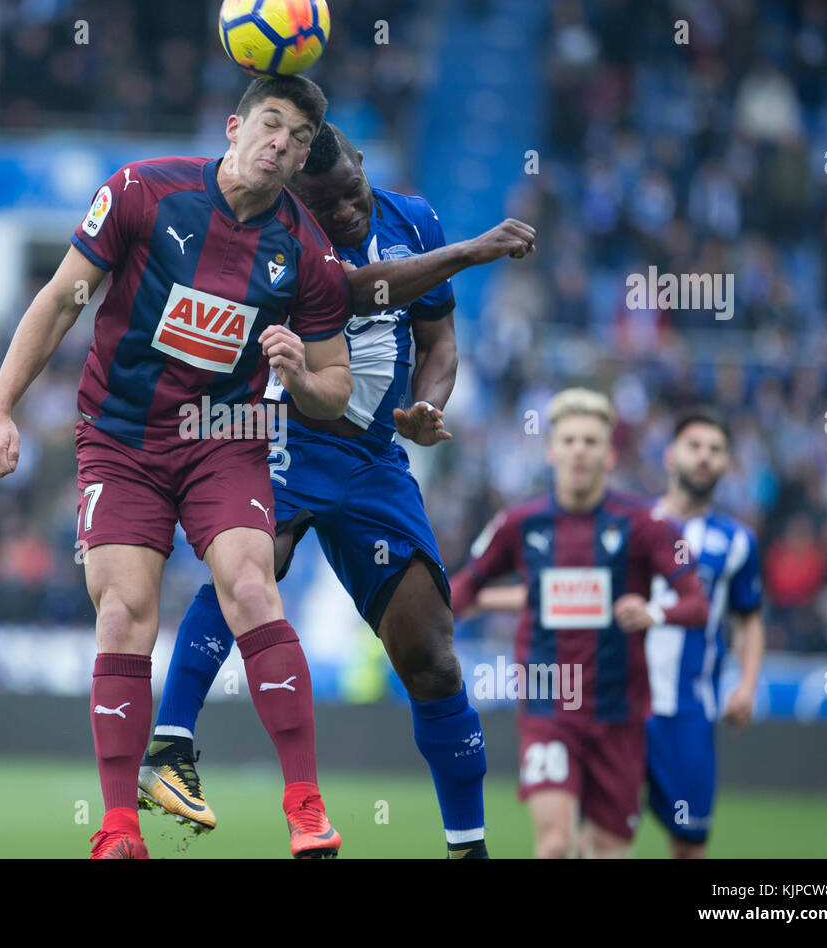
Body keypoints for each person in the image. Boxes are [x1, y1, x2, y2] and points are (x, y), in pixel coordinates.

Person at [0, 75, 354, 859]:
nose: (282, 144)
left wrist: (302, 375)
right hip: (120, 437)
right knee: (123, 612)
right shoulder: (144, 192)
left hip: (224, 437)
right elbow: (58, 302)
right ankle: (119, 829)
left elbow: (335, 388)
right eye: (271, 125)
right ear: (234, 127)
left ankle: (306, 807)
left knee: (252, 584)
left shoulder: (307, 251)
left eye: (301, 140)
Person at [137, 121, 537, 858]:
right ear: (297, 200)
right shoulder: (281, 234)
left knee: (432, 657)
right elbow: (358, 292)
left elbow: (440, 341)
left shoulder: (413, 218)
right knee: (260, 561)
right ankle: (170, 745)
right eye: (328, 207)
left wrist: (429, 403)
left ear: (361, 164)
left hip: (375, 460)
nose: (347, 213)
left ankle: (468, 846)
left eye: (352, 193)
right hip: (283, 430)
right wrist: (472, 252)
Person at [448, 388, 709, 858]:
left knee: (607, 853)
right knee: (554, 846)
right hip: (549, 710)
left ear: (610, 454)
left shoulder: (647, 524)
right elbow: (461, 591)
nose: (579, 451)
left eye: (590, 441)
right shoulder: (519, 523)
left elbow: (697, 603)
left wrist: (654, 612)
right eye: (568, 440)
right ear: (550, 450)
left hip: (620, 716)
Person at [645, 411, 765, 858]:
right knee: (599, 839)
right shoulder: (634, 522)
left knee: (689, 844)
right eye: (695, 446)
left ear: (727, 464)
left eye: (715, 450)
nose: (704, 457)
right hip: (622, 704)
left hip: (690, 713)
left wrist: (747, 686)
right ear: (670, 455)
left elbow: (749, 618)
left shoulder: (737, 542)